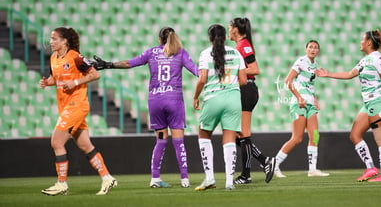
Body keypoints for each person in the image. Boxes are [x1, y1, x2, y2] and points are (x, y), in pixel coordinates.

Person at [92, 27, 198, 188]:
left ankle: (155, 178)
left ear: (159, 39)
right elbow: (196, 71)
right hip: (174, 101)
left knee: (161, 141)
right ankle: (184, 180)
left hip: (156, 101)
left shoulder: (151, 53)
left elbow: (129, 63)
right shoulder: (180, 52)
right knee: (179, 142)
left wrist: (108, 64)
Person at [39, 27, 117, 196]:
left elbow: (95, 74)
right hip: (66, 106)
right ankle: (107, 178)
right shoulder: (53, 58)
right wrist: (47, 82)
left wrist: (75, 82)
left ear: (64, 41)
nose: (51, 42)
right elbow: (56, 78)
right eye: (51, 39)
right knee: (85, 145)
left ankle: (61, 184)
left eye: (54, 39)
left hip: (77, 105)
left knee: (56, 142)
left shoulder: (76, 56)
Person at [316, 29, 381, 182]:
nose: (360, 42)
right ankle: (371, 167)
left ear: (369, 43)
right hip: (368, 104)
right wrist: (328, 74)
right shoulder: (365, 60)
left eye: (362, 39)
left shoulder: (378, 58)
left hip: (378, 102)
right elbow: (350, 74)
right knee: (354, 135)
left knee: (380, 139)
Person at [193, 24, 248, 191]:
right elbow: (244, 81)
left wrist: (196, 96)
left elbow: (202, 79)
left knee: (204, 134)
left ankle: (210, 178)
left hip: (213, 98)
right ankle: (230, 182)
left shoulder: (205, 54)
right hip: (233, 99)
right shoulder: (236, 53)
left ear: (210, 38)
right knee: (229, 139)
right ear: (225, 37)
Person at [228, 17, 275, 184]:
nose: (228, 30)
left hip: (247, 89)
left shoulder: (244, 45)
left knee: (243, 134)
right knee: (236, 134)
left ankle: (246, 175)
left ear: (235, 29)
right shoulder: (240, 46)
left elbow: (255, 69)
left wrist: (234, 72)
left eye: (229, 27)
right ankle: (264, 161)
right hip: (243, 89)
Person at [274, 40, 329, 178]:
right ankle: (274, 164)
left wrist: (314, 99)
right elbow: (288, 81)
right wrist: (299, 97)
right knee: (297, 138)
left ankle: (312, 170)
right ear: (306, 50)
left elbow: (309, 85)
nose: (313, 49)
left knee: (315, 136)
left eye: (316, 47)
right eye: (310, 47)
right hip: (299, 104)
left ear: (318, 51)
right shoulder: (301, 61)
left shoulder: (315, 65)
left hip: (310, 104)